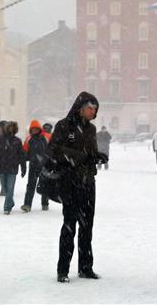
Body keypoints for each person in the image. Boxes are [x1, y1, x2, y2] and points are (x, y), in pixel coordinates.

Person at [49, 92, 108, 283]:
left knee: (87, 227)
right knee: (69, 226)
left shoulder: (91, 129)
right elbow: (53, 151)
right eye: (91, 108)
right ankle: (63, 269)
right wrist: (79, 157)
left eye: (95, 109)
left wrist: (97, 156)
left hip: (88, 183)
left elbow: (88, 154)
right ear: (81, 108)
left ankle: (85, 267)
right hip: (70, 182)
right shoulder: (64, 126)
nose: (94, 112)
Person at [0, 121, 26, 215]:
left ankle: (6, 207)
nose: (11, 129)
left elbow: (21, 155)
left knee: (10, 188)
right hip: (1, 167)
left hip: (12, 168)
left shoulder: (17, 141)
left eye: (12, 127)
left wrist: (23, 168)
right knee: (5, 188)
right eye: (9, 127)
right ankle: (10, 202)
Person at [21, 120, 49, 212]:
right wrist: (23, 168)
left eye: (36, 129)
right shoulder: (28, 139)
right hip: (33, 166)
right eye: (33, 129)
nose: (35, 131)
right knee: (30, 186)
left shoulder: (46, 138)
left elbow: (52, 150)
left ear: (39, 129)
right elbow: (24, 154)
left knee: (44, 185)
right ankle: (27, 204)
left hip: (44, 165)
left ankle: (45, 204)